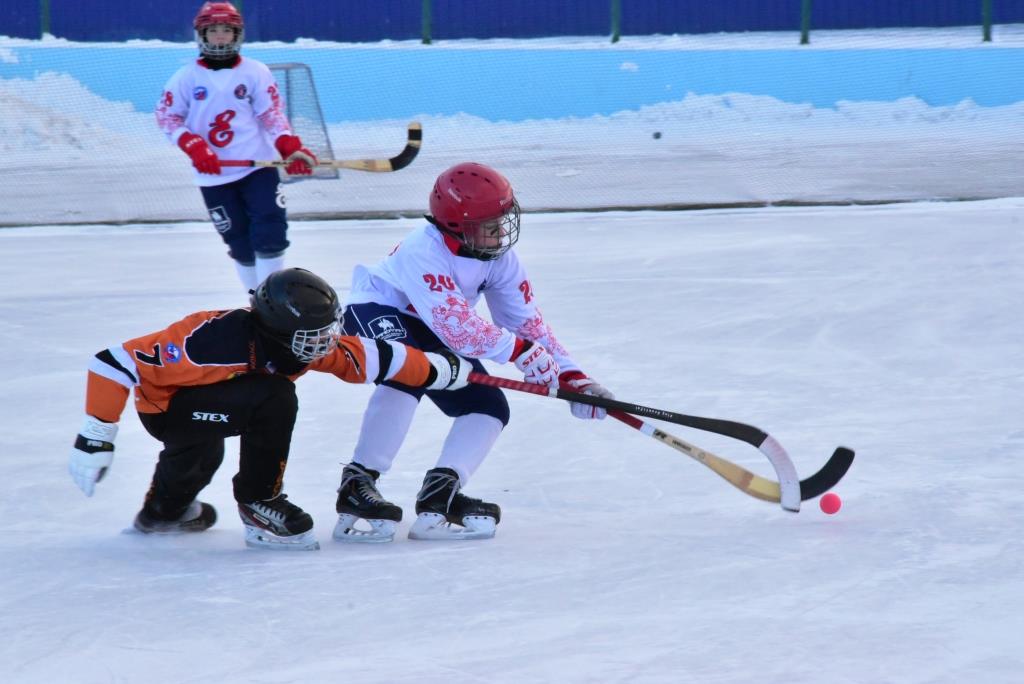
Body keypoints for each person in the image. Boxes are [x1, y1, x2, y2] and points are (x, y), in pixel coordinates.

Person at [68, 268, 470, 551]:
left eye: (326, 330)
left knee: (205, 450)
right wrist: (96, 436)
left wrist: (436, 369)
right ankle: (260, 500)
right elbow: (112, 362)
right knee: (272, 397)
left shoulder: (293, 343)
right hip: (167, 408)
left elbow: (362, 357)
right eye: (315, 335)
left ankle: (162, 514)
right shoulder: (205, 343)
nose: (324, 343)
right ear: (280, 327)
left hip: (207, 409)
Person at [333, 162, 614, 543]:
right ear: (457, 226)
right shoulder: (424, 249)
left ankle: (440, 492)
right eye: (490, 224)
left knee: (488, 406)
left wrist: (572, 377)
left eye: (504, 218)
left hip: (428, 327)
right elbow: (457, 326)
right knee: (410, 372)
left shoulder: (500, 260)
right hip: (378, 310)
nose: (502, 231)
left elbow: (528, 325)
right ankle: (358, 483)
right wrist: (518, 352)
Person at [155, 1, 319, 292]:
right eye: (213, 30)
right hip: (213, 175)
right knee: (239, 242)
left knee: (270, 234)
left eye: (226, 31)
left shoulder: (255, 72)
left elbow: (272, 114)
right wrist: (192, 145)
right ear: (201, 35)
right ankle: (257, 303)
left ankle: (273, 298)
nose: (220, 36)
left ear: (237, 34)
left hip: (259, 167)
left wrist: (289, 147)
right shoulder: (185, 78)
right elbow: (166, 117)